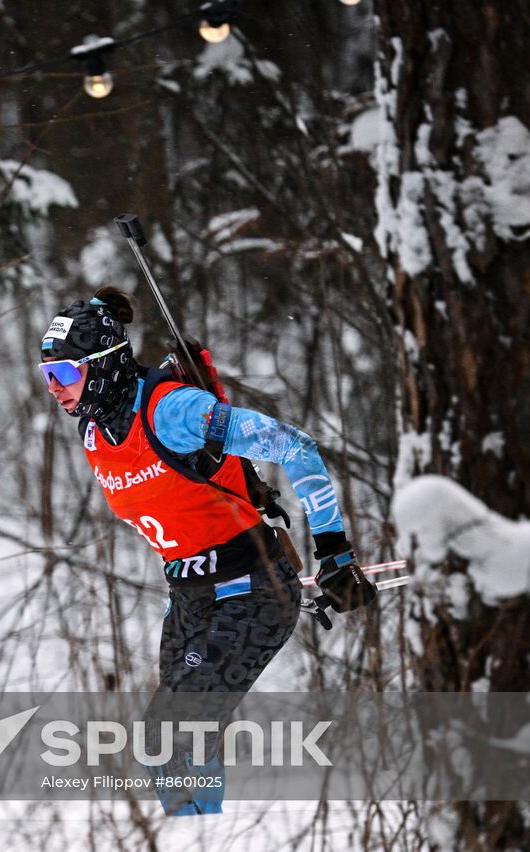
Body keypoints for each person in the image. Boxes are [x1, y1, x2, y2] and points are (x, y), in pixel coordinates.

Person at [38, 286, 377, 815]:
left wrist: (334, 552)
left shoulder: (172, 410)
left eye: (64, 374)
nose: (56, 389)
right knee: (178, 744)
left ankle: (199, 845)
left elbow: (294, 446)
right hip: (191, 596)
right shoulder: (95, 432)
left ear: (102, 365)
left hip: (253, 589)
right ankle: (194, 838)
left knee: (168, 735)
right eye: (48, 377)